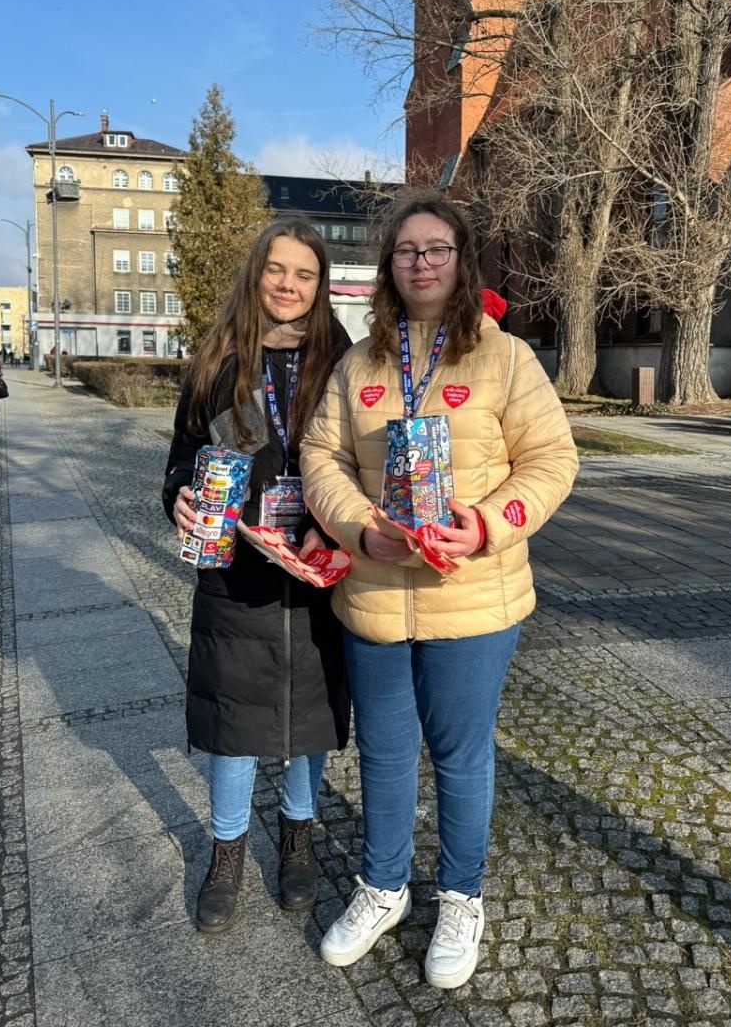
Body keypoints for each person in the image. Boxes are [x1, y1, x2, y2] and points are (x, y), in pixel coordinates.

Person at [300, 190, 579, 989]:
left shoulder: (505, 356)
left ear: (462, 262)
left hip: (475, 597)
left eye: (437, 249)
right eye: (406, 251)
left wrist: (488, 524)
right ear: (388, 266)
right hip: (377, 593)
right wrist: (359, 528)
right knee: (386, 753)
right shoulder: (360, 363)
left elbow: (553, 461)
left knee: (460, 756)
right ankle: (383, 887)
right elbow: (322, 460)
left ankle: (461, 895)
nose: (420, 263)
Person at [162, 214, 352, 936]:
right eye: (278, 270)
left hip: (318, 569)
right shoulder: (217, 360)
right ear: (257, 272)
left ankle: (298, 839)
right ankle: (227, 851)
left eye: (305, 274)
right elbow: (182, 455)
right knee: (234, 723)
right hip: (235, 572)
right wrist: (177, 494)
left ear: (321, 284)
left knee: (312, 717)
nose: (290, 285)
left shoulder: (343, 360)